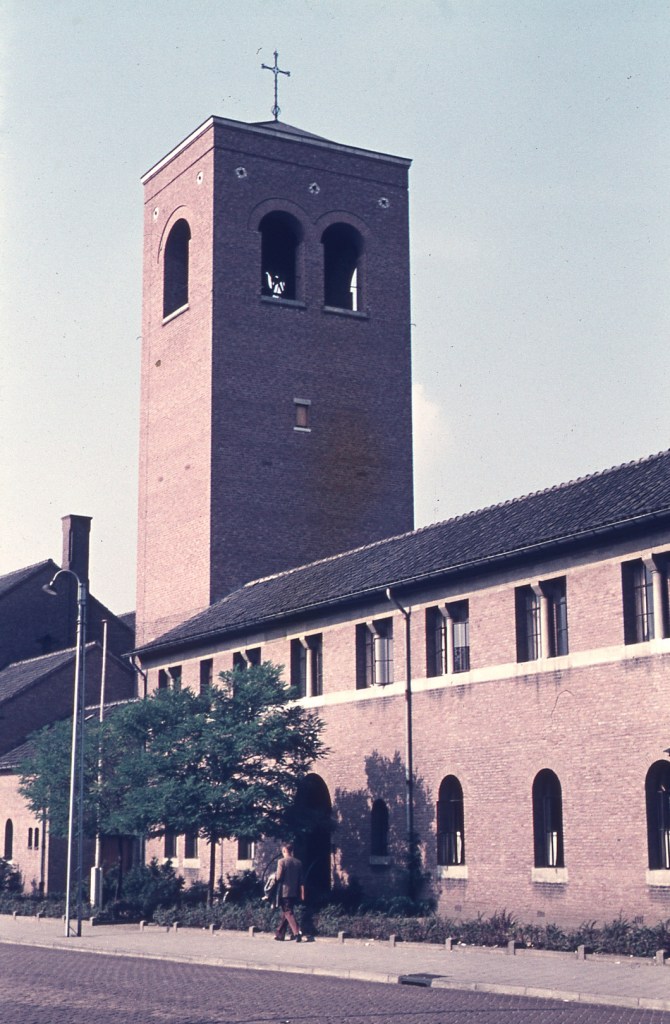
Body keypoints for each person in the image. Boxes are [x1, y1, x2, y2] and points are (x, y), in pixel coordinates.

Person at [274, 842, 305, 941]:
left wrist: (273, 877)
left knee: (287, 912)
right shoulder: (298, 862)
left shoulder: (281, 862)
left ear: (284, 851)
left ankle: (297, 932)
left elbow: (278, 877)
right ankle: (280, 934)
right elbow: (301, 880)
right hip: (294, 891)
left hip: (284, 891)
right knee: (287, 912)